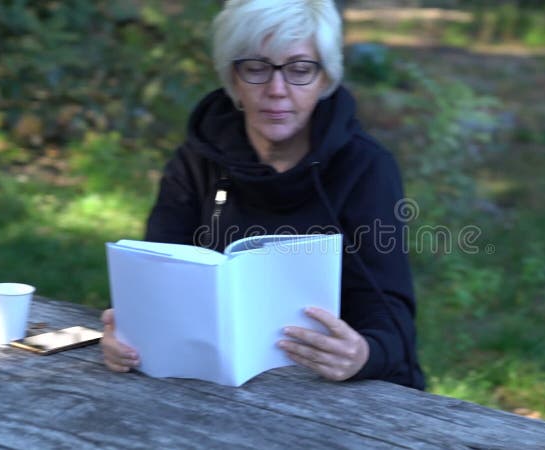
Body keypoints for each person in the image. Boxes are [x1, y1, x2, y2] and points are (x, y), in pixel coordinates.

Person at [100, 0, 425, 390]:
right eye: (256, 68)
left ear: (326, 79)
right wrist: (129, 334)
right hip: (210, 386)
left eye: (300, 70)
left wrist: (364, 353)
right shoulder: (197, 159)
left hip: (336, 392)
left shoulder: (366, 168)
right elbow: (155, 276)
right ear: (232, 78)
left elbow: (392, 322)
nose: (276, 90)